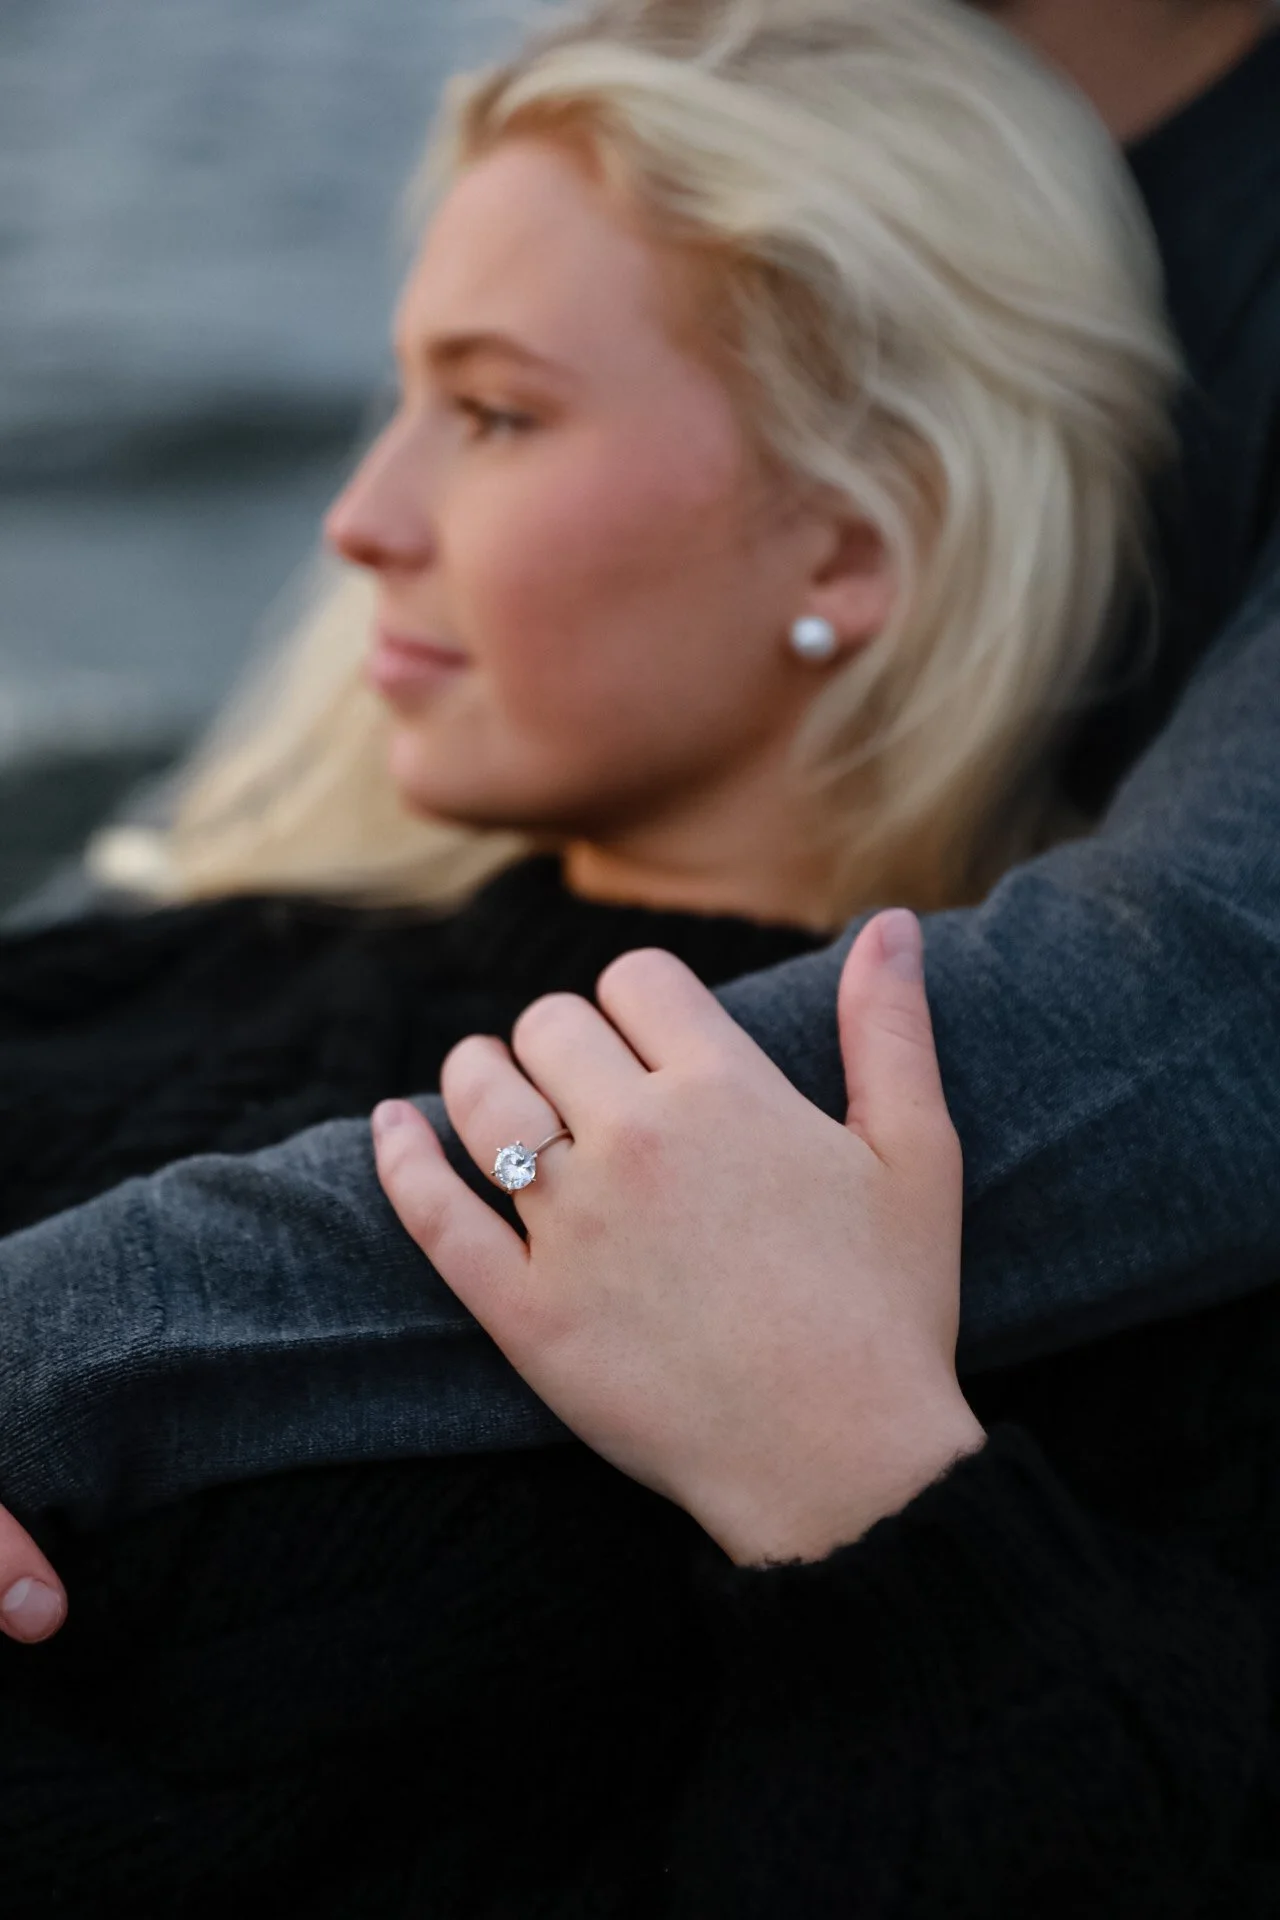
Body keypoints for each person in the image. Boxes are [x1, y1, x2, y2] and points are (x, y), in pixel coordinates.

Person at [0, 6, 1181, 1529]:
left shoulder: (857, 1281)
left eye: (494, 412)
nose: (360, 517)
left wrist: (854, 1488)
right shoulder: (206, 954)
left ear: (847, 545)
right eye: (406, 397)